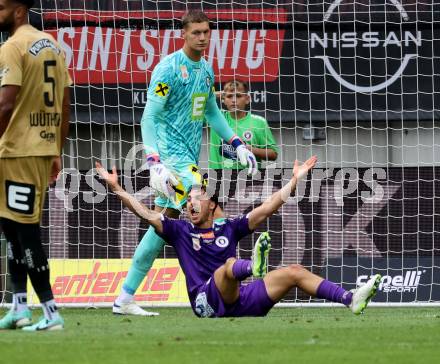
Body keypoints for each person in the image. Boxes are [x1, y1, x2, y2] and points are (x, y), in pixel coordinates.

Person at [96, 156, 381, 318]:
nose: (190, 205)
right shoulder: (179, 230)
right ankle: (252, 267)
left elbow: (268, 207)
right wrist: (116, 186)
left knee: (293, 271)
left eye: (197, 199)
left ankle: (349, 298)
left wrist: (295, 180)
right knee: (226, 268)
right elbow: (144, 212)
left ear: (211, 205)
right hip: (205, 302)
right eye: (187, 203)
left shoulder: (229, 227)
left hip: (239, 297)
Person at [113, 10, 258, 316]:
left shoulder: (205, 71)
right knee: (206, 207)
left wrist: (236, 143)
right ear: (184, 34)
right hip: (171, 158)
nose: (203, 37)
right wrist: (153, 160)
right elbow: (149, 116)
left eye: (206, 32)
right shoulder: (168, 70)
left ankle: (124, 299)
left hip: (188, 157)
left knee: (158, 232)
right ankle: (230, 283)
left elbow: (212, 114)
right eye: (196, 33)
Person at [0, 0, 71, 330]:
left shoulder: (13, 46)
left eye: (1, 7)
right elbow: (65, 103)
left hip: (18, 151)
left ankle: (51, 313)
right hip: (40, 147)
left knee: (26, 231)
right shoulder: (53, 46)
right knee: (12, 227)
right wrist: (57, 149)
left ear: (18, 10)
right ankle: (19, 306)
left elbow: (4, 105)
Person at [209, 79, 278, 170]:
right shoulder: (215, 117)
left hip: (248, 179)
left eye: (238, 96)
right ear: (223, 100)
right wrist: (220, 94)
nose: (234, 100)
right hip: (218, 178)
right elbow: (195, 100)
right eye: (229, 96)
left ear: (247, 99)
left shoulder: (259, 122)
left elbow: (273, 154)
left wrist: (248, 149)